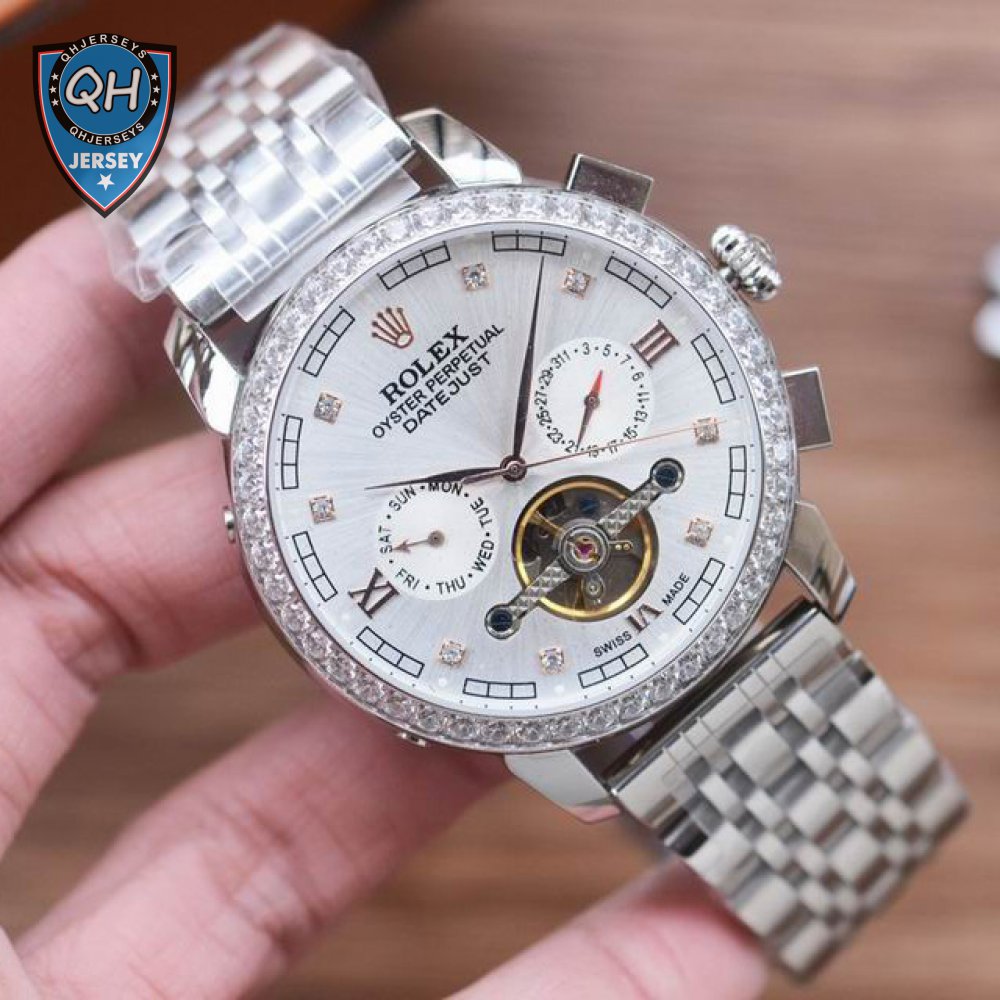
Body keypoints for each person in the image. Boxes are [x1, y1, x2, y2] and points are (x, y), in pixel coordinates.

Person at [0, 210, 766, 998]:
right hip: (553, 626)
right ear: (244, 524)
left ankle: (806, 868)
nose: (515, 470)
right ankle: (790, 870)